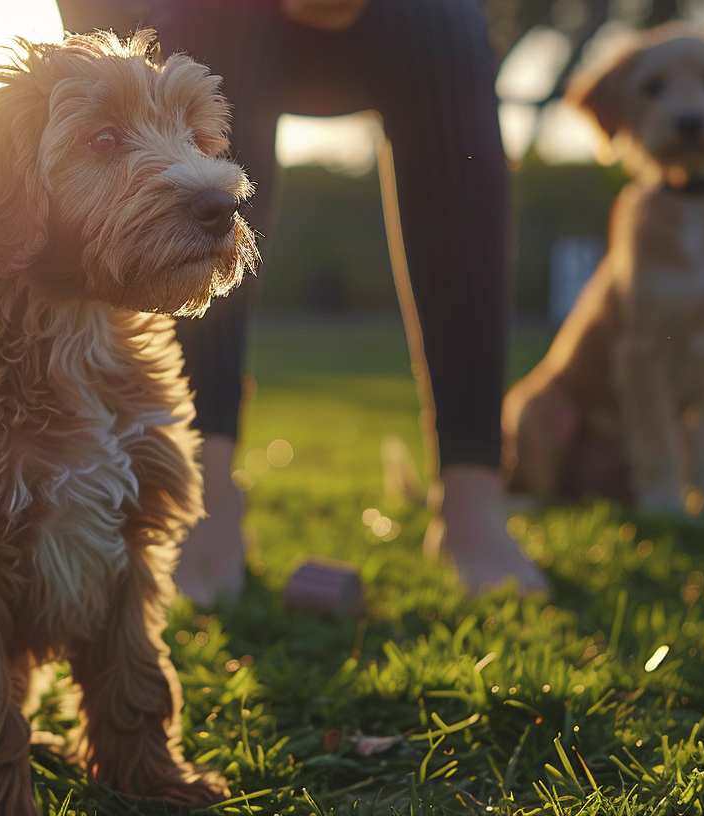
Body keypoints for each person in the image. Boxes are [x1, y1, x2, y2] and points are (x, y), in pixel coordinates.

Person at [56, 0, 550, 602]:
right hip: (175, 17)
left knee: (444, 18)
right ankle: (201, 496)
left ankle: (473, 501)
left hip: (374, 26)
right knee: (216, 17)